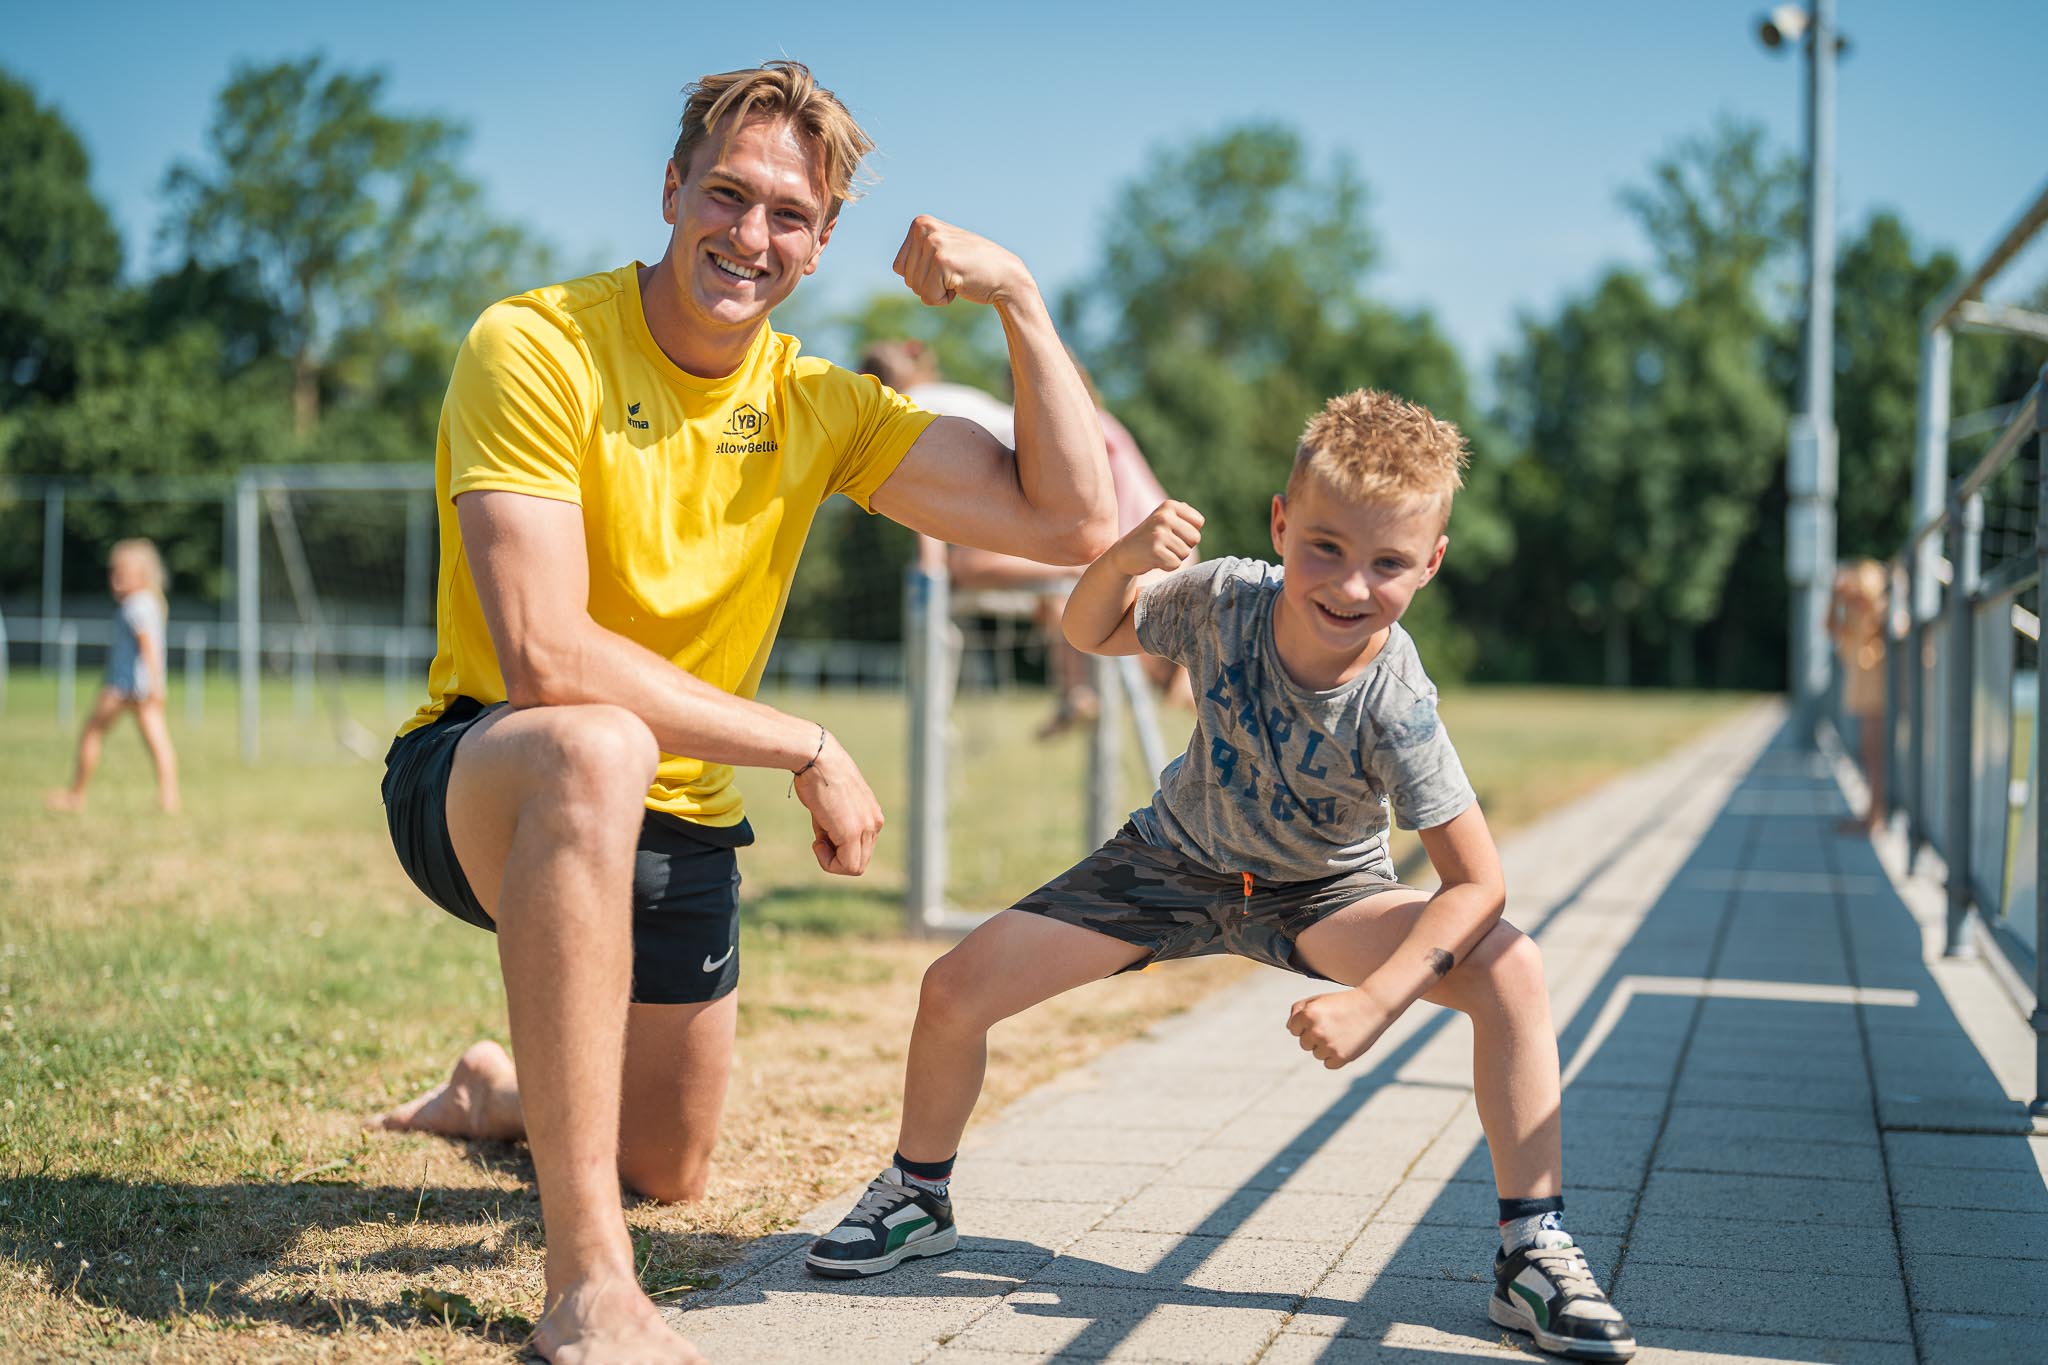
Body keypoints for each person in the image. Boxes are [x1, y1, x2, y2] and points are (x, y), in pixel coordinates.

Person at [369, 61, 1113, 1365]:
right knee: (600, 741)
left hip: (683, 820)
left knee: (671, 1168)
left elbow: (1071, 523)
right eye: (728, 195)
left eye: (788, 216)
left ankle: (502, 1089)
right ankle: (588, 1287)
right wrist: (806, 744)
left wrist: (1020, 302)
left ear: (822, 246)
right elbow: (546, 652)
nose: (750, 235)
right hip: (491, 771)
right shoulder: (534, 344)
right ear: (671, 190)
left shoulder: (815, 407)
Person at [807, 390, 1637, 1363]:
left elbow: (1474, 883)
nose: (1349, 585)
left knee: (1509, 968)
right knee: (949, 992)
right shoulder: (1224, 595)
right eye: (1323, 547)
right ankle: (917, 1195)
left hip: (1323, 894)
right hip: (1173, 860)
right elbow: (1089, 630)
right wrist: (1119, 558)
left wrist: (1377, 1000)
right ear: (1280, 524)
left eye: (1386, 564)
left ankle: (1529, 1251)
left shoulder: (1394, 698)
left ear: (1430, 563)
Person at [861, 339, 1190, 731]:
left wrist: (931, 573)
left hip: (1129, 542)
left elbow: (916, 486)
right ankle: (1079, 690)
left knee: (969, 566)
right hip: (1155, 540)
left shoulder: (900, 405)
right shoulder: (981, 400)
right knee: (1055, 605)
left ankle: (1121, 661)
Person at [46, 538, 180, 815]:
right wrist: (157, 684)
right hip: (145, 688)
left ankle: (76, 795)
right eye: (113, 573)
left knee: (92, 731)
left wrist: (155, 683)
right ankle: (169, 798)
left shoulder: (134, 605)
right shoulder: (151, 603)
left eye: (123, 573)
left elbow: (148, 647)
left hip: (123, 686)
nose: (116, 579)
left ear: (142, 575)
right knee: (158, 743)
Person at [1830, 558, 1889, 834]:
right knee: (1868, 754)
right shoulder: (1854, 618)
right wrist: (1835, 596)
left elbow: (1877, 608)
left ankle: (1875, 816)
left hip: (1876, 694)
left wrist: (1857, 590)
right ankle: (1871, 813)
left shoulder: (1878, 615)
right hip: (1864, 694)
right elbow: (1830, 627)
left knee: (1874, 755)